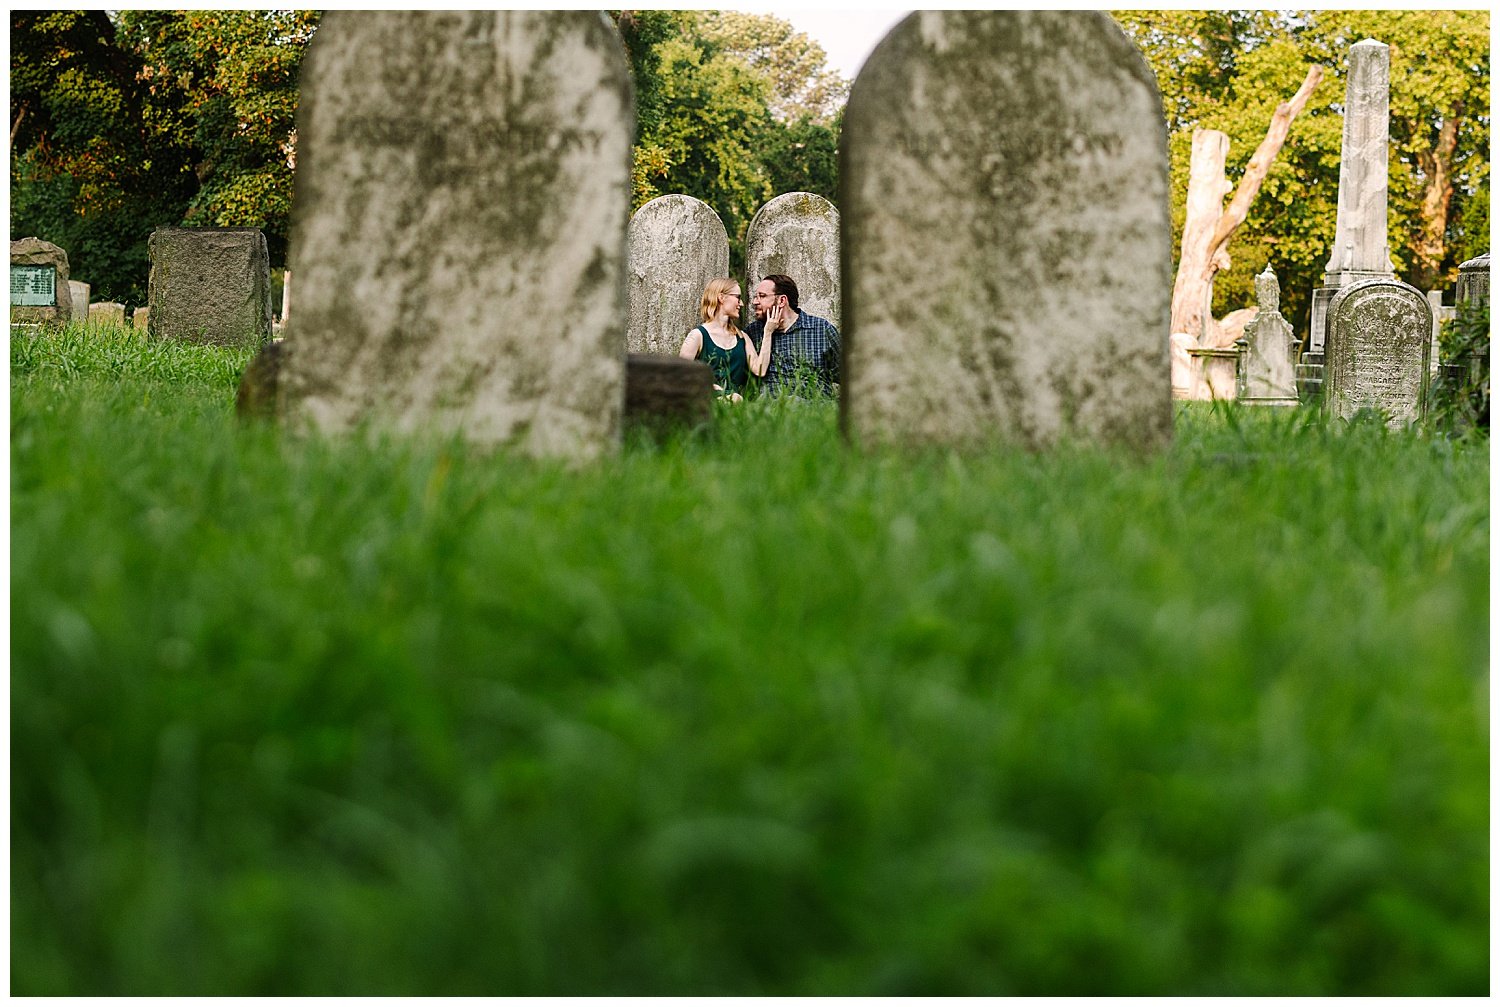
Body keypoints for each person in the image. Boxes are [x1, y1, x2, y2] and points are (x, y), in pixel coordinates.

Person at [745, 274, 841, 397]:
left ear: (782, 300)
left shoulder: (822, 330)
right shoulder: (753, 333)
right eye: (755, 297)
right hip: (771, 410)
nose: (755, 302)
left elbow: (847, 376)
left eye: (762, 296)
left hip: (815, 409)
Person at [678, 277, 769, 401]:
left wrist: (768, 332)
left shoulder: (742, 337)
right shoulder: (698, 336)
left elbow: (760, 370)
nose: (741, 303)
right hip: (707, 400)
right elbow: (680, 374)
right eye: (737, 297)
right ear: (721, 297)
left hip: (736, 402)